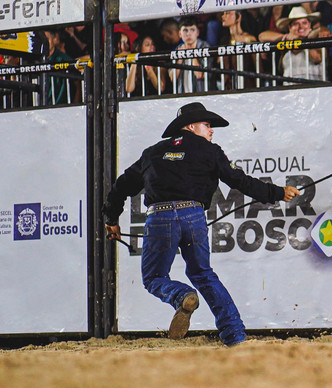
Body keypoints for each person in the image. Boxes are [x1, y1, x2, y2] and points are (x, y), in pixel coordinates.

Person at [102, 102, 301, 346]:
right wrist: (277, 192)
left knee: (154, 277)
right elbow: (239, 180)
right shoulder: (210, 151)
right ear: (191, 126)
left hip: (159, 217)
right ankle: (234, 335)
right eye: (207, 125)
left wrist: (111, 219)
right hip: (193, 215)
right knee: (202, 273)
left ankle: (181, 295)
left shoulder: (152, 153)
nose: (211, 130)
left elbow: (120, 187)